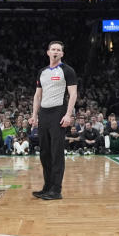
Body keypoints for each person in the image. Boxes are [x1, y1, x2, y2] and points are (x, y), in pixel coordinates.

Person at [30, 41, 78, 201]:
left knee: (56, 153)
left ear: (62, 54)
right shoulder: (42, 72)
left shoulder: (67, 70)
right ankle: (47, 187)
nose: (55, 52)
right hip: (44, 113)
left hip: (58, 113)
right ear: (48, 52)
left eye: (58, 50)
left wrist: (68, 115)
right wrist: (34, 115)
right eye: (53, 49)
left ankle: (56, 190)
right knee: (44, 152)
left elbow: (73, 94)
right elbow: (37, 95)